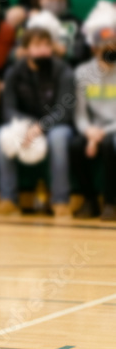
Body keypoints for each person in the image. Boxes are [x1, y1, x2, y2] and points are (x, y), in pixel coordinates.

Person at [0, 27, 76, 217]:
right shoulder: (14, 72)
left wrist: (41, 126)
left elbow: (64, 110)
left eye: (47, 45)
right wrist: (29, 124)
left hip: (56, 124)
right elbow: (7, 109)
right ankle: (8, 199)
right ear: (26, 50)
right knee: (1, 135)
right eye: (38, 45)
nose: (44, 50)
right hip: (25, 124)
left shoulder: (63, 70)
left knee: (58, 137)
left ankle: (60, 200)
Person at [70, 25, 116, 220]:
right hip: (94, 127)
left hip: (112, 128)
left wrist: (101, 134)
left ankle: (110, 203)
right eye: (105, 46)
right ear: (94, 49)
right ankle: (90, 201)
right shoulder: (82, 72)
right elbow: (79, 114)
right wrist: (89, 132)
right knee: (75, 145)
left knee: (109, 145)